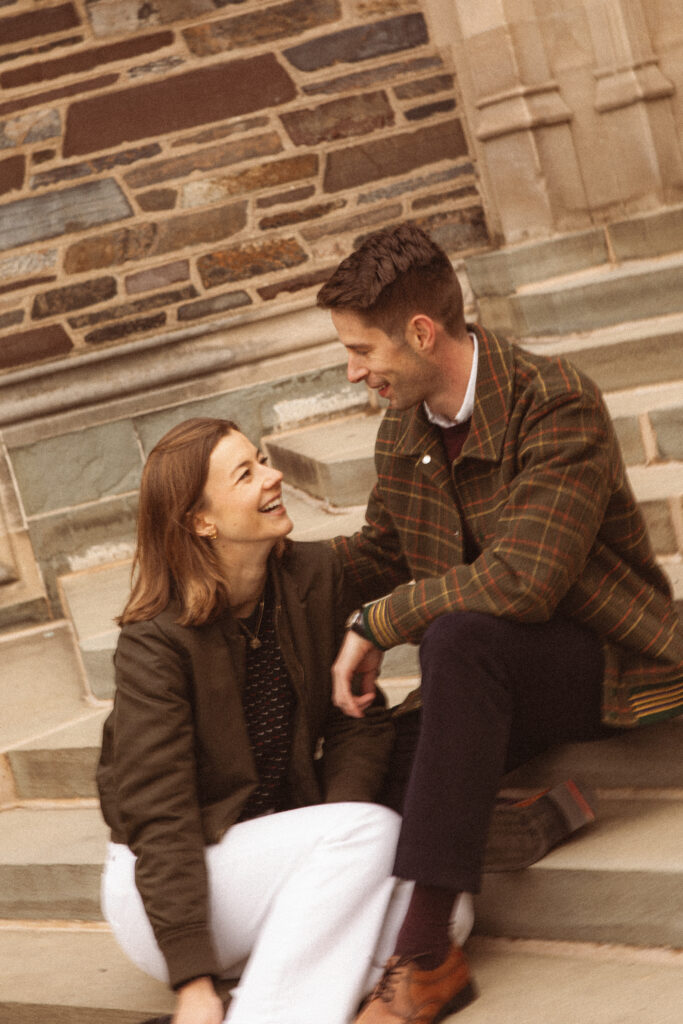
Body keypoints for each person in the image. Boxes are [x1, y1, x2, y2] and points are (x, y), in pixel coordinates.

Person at [316, 222, 683, 1022]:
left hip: (610, 658)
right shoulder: (405, 431)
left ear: (419, 334)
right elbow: (381, 549)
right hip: (489, 671)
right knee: (372, 754)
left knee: (457, 638)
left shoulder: (554, 402)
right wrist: (254, 565)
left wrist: (377, 623)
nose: (353, 372)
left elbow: (523, 582)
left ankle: (422, 955)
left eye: (362, 351)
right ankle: (528, 822)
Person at [96, 417, 414, 1024]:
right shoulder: (154, 642)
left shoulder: (313, 577)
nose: (274, 476)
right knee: (368, 836)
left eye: (262, 459)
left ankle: (258, 1001)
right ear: (201, 521)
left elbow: (357, 720)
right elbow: (160, 817)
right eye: (247, 473)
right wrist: (192, 981)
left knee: (442, 915)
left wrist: (338, 824)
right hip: (173, 891)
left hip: (277, 857)